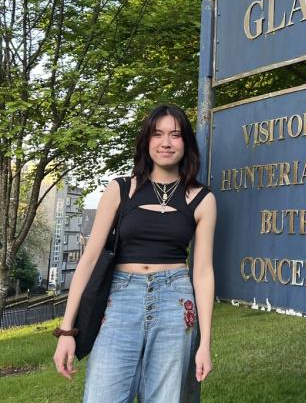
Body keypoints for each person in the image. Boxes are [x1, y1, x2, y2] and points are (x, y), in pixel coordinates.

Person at [52, 104, 217, 402]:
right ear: (146, 141)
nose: (166, 142)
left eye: (175, 135)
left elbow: (203, 272)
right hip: (120, 301)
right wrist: (66, 332)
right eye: (158, 134)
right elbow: (88, 260)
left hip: (175, 301)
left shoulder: (202, 199)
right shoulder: (120, 189)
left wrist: (205, 342)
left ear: (186, 143)